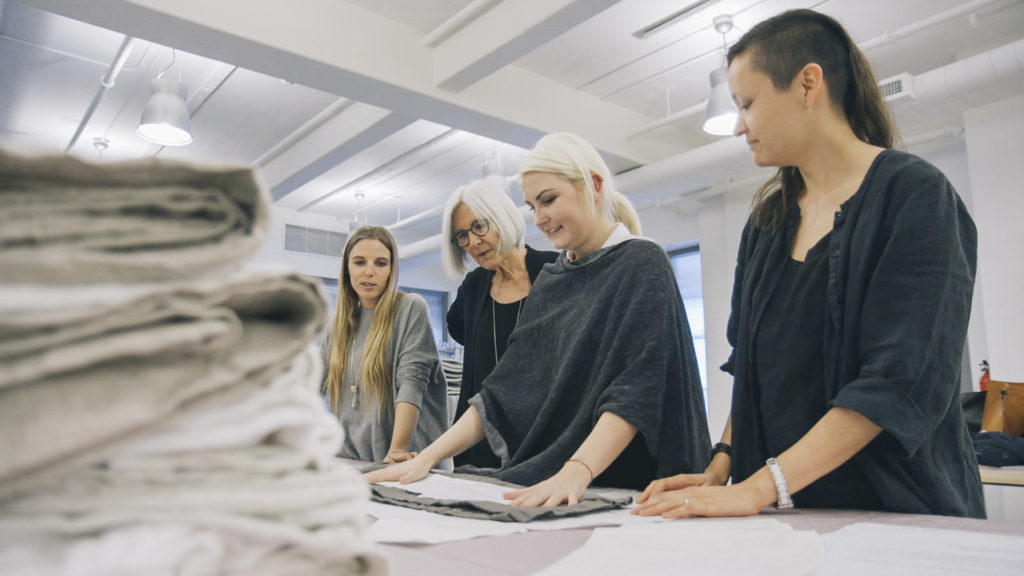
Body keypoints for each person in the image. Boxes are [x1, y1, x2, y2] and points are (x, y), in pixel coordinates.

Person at [635, 9, 984, 519]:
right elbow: (752, 369)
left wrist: (757, 488)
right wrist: (721, 465)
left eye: (748, 103)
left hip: (896, 515)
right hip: (788, 519)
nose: (739, 126)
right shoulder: (767, 222)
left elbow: (892, 386)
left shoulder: (914, 195)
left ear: (807, 84)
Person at [366, 132, 711, 506]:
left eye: (549, 200)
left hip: (628, 484)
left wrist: (578, 469)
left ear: (594, 185)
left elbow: (635, 392)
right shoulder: (552, 281)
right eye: (533, 206)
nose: (541, 218)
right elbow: (502, 394)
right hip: (565, 479)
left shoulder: (643, 264)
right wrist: (430, 457)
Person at [441, 179, 559, 469]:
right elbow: (459, 331)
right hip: (479, 445)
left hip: (544, 441)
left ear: (502, 217)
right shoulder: (472, 288)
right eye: (462, 235)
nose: (473, 242)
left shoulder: (555, 272)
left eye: (479, 226)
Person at [321, 225, 449, 464]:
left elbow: (412, 382)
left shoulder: (410, 308)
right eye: (359, 262)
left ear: (392, 270)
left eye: (380, 263)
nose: (369, 272)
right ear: (347, 269)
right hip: (353, 462)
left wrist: (398, 450)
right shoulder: (335, 327)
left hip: (407, 463)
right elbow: (310, 388)